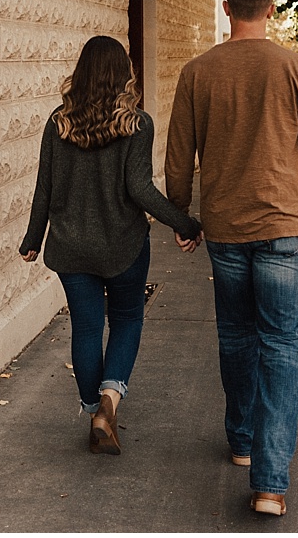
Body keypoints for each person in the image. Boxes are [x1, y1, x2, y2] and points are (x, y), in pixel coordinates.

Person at [165, 0, 298, 517]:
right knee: (282, 345)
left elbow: (179, 153)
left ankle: (242, 442)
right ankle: (270, 483)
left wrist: (181, 217)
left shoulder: (198, 72)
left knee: (238, 336)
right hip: (285, 224)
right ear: (270, 9)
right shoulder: (295, 68)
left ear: (226, 8)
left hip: (225, 225)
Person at [20, 35, 203, 455]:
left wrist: (33, 239)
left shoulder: (58, 122)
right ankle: (110, 403)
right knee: (126, 320)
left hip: (70, 247)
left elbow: (44, 187)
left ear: (81, 74)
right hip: (123, 247)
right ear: (124, 75)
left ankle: (93, 410)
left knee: (85, 327)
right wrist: (185, 222)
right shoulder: (137, 124)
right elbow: (140, 189)